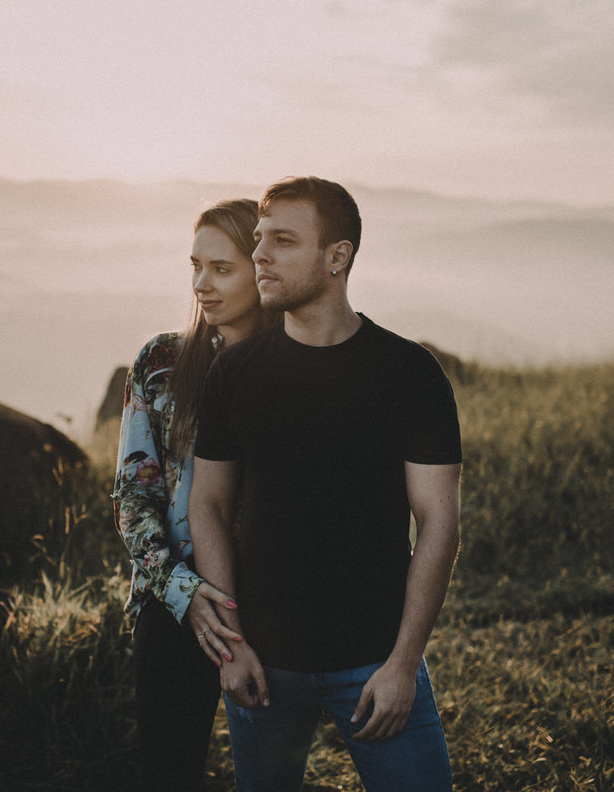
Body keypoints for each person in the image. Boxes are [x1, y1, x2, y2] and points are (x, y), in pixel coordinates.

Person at [188, 177, 462, 792]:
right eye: (260, 240)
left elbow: (439, 522)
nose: (260, 255)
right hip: (263, 667)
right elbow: (207, 503)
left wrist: (403, 664)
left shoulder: (410, 372)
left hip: (375, 663)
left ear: (338, 257)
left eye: (283, 241)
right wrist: (232, 649)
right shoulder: (234, 373)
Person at [113, 198, 281, 792]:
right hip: (173, 607)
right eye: (195, 266)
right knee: (169, 769)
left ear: (261, 271)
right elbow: (133, 499)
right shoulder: (160, 363)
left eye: (222, 268)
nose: (202, 285)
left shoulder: (295, 370)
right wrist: (184, 594)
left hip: (270, 604)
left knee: (268, 770)